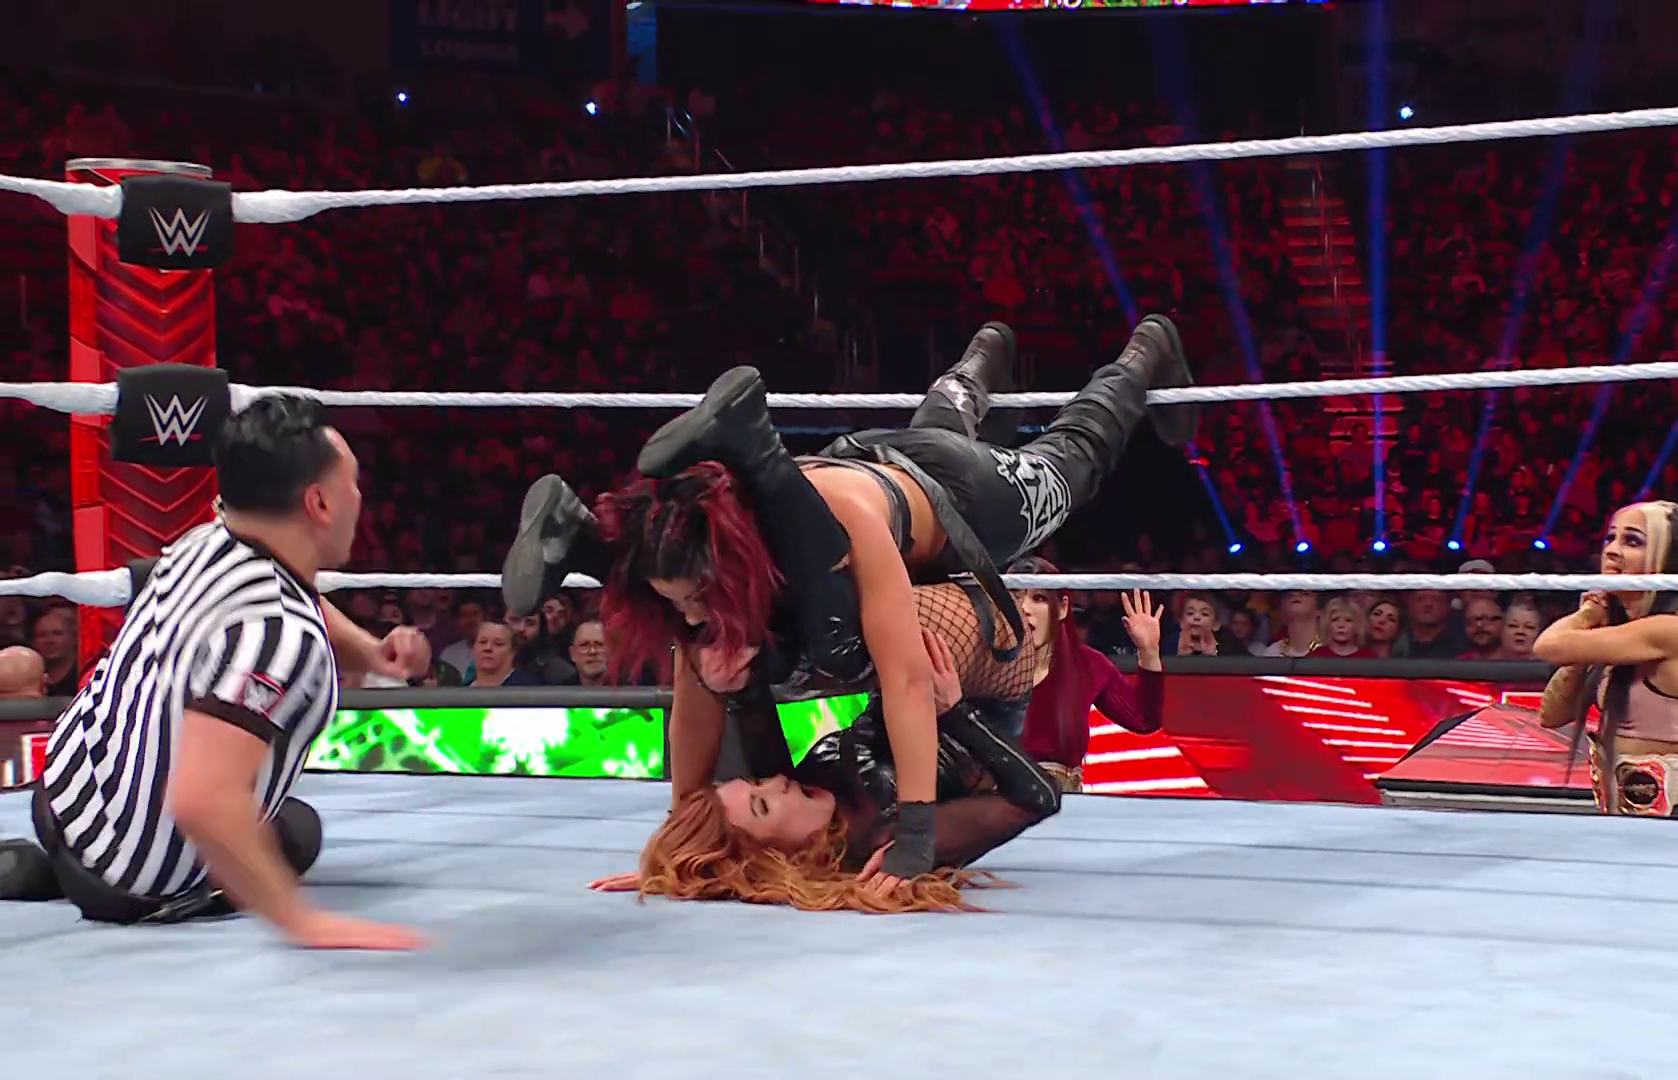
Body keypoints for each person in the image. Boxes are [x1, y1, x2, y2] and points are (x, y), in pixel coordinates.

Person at [505, 316, 1194, 892]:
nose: (688, 619)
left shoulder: (839, 538)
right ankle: (589, 542)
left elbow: (905, 678)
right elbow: (695, 681)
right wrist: (685, 846)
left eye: (692, 602)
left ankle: (1146, 350)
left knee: (1073, 460)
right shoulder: (735, 541)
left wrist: (917, 833)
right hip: (876, 464)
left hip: (956, 497)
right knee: (748, 644)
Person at [0, 396, 431, 949]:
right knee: (295, 835)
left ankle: (51, 867)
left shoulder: (205, 540)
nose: (360, 497)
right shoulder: (278, 634)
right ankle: (96, 879)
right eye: (353, 483)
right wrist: (305, 923)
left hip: (60, 791)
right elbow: (203, 799)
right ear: (319, 502)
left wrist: (371, 653)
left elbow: (294, 591)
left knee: (285, 823)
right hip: (131, 885)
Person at [589, 628, 1060, 912]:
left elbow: (747, 698)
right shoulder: (886, 838)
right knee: (918, 619)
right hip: (982, 699)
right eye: (762, 804)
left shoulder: (797, 795)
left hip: (909, 677)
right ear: (776, 856)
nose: (777, 780)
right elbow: (1038, 797)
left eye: (756, 782)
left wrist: (673, 872)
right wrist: (955, 713)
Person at [1532, 501, 1678, 816]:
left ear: (1668, 559)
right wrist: (1588, 640)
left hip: (1664, 819)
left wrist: (1587, 613)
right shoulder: (1624, 633)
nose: (1612, 551)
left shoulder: (1674, 631)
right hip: (1619, 815)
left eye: (1632, 541)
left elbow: (1546, 646)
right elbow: (1551, 715)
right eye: (1611, 538)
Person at [1009, 557, 1166, 792]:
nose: (1024, 608)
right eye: (1015, 598)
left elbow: (1144, 719)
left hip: (1067, 803)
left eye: (1038, 598)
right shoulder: (986, 666)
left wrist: (1149, 652)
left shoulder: (1087, 665)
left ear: (1063, 608)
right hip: (1001, 803)